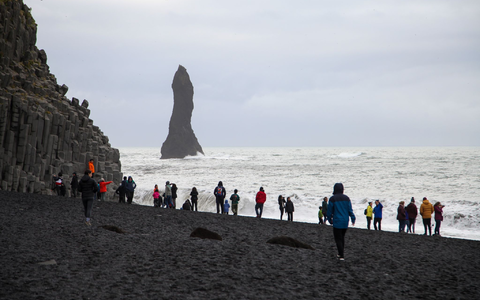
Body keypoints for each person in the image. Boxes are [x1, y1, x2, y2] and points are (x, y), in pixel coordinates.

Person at [326, 183, 356, 261]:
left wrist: (329, 219)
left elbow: (329, 211)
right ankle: (340, 253)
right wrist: (353, 218)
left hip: (337, 221)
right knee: (342, 237)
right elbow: (350, 210)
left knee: (338, 238)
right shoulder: (347, 198)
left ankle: (341, 255)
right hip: (345, 221)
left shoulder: (332, 199)